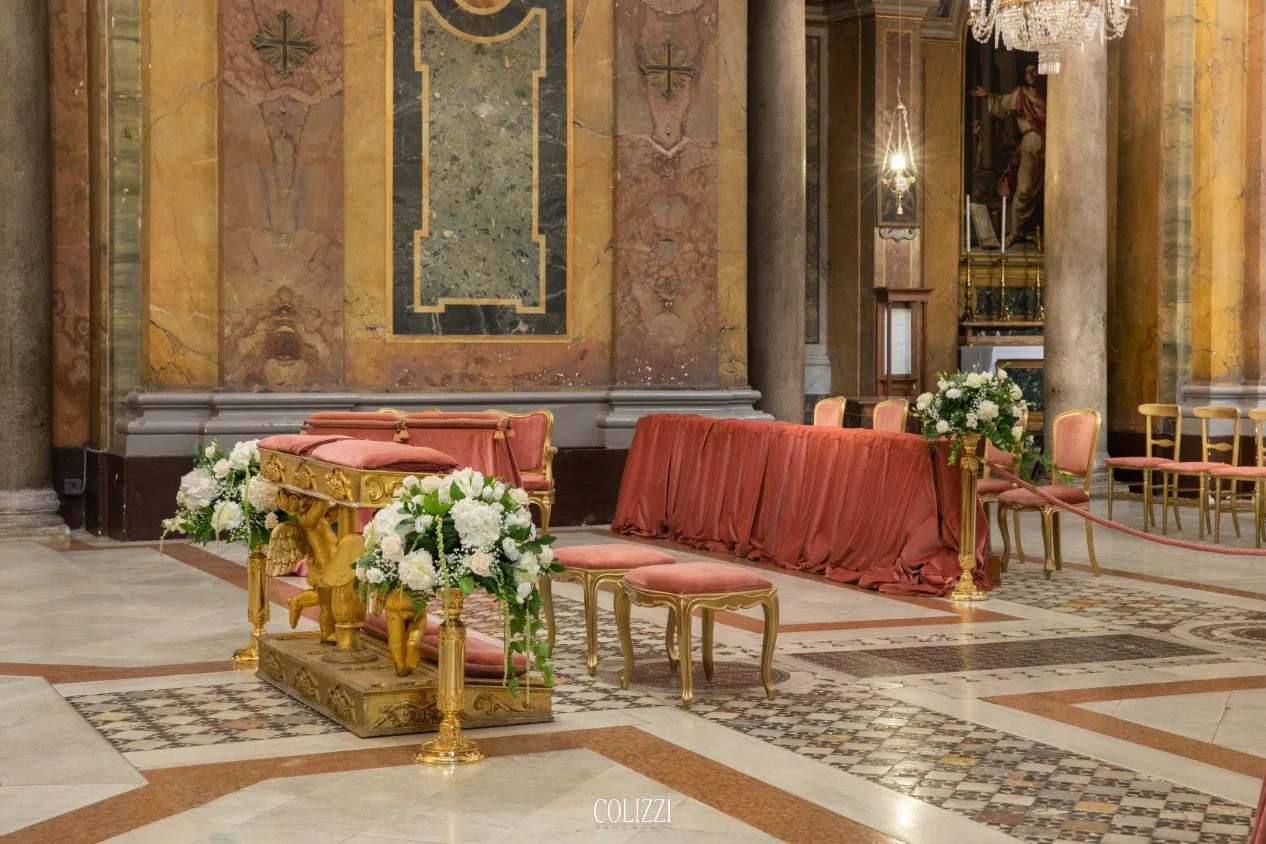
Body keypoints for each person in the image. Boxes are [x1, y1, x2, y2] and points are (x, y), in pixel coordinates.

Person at [974, 64, 1045, 247]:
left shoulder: (1048, 97)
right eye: (1027, 71)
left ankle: (1041, 233)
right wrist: (988, 96)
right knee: (1025, 188)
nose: (1031, 74)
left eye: (1034, 70)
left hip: (1052, 146)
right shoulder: (1021, 96)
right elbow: (1003, 104)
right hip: (1030, 145)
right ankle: (1016, 230)